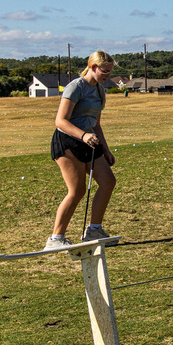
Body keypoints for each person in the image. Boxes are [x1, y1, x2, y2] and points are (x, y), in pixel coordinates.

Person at [46, 51, 118, 250]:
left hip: (90, 142)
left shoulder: (100, 91)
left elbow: (96, 124)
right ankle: (56, 239)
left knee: (108, 181)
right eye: (105, 71)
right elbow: (60, 121)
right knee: (77, 190)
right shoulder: (76, 87)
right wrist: (83, 135)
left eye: (110, 72)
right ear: (93, 67)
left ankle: (93, 230)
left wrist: (106, 149)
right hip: (68, 142)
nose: (107, 75)